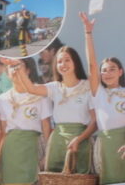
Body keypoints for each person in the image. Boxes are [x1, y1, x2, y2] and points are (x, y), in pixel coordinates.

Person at [11, 44, 97, 175]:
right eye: (59, 61)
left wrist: (79, 139)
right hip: (57, 140)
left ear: (76, 62)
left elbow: (95, 123)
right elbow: (31, 89)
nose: (63, 64)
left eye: (67, 60)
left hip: (82, 140)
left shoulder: (86, 87)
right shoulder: (55, 87)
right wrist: (19, 68)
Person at [80, 13, 125, 184]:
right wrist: (88, 33)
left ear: (121, 71)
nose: (107, 73)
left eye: (112, 69)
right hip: (105, 144)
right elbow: (92, 64)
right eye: (104, 70)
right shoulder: (98, 92)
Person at [0, 58, 52, 185]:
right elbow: (3, 131)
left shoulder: (40, 94)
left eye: (18, 66)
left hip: (32, 147)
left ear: (28, 70)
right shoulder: (3, 99)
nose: (14, 70)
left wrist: (47, 155)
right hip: (11, 150)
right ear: (7, 72)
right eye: (11, 67)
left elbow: (46, 126)